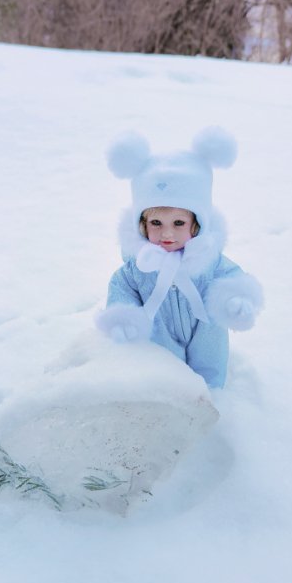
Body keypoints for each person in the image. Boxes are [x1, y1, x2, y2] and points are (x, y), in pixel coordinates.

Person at [96, 127, 263, 389]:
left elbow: (230, 276)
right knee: (165, 374)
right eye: (156, 222)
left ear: (196, 224)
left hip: (205, 330)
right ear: (141, 224)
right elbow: (122, 288)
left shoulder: (210, 261)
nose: (167, 233)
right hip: (158, 331)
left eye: (178, 222)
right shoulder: (138, 266)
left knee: (209, 367)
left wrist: (235, 298)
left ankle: (212, 400)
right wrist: (124, 317)